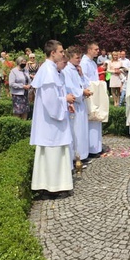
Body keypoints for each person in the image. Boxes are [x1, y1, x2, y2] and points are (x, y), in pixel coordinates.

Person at [30, 40, 75, 199]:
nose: (63, 54)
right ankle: (51, 188)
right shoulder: (48, 72)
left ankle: (55, 186)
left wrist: (66, 102)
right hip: (51, 124)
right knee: (52, 154)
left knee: (55, 154)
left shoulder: (52, 70)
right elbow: (51, 103)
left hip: (54, 123)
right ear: (53, 53)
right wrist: (65, 100)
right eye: (61, 52)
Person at [62, 46, 92, 165]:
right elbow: (69, 87)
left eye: (80, 57)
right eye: (77, 58)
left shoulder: (76, 69)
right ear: (70, 58)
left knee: (82, 130)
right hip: (74, 104)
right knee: (76, 131)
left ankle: (83, 154)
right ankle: (76, 156)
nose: (79, 60)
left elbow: (85, 83)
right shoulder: (67, 70)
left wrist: (81, 75)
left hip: (81, 104)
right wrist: (81, 93)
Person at [80, 42, 104, 158]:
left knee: (96, 118)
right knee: (91, 119)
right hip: (89, 93)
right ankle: (90, 148)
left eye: (98, 49)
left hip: (95, 92)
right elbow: (84, 79)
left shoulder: (93, 63)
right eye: (95, 49)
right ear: (89, 50)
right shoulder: (84, 63)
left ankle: (96, 147)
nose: (97, 51)